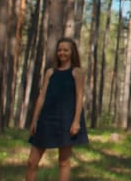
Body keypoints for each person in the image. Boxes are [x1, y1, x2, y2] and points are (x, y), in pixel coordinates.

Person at [26, 37, 88, 181]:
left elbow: (79, 97)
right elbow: (41, 97)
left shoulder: (77, 72)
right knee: (31, 161)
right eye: (60, 50)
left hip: (66, 120)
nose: (62, 53)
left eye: (65, 50)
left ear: (72, 52)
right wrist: (35, 120)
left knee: (64, 162)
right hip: (46, 119)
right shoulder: (50, 72)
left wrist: (76, 121)